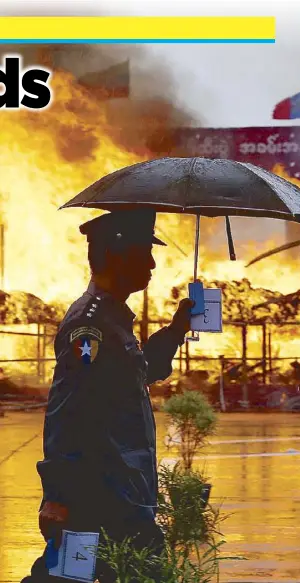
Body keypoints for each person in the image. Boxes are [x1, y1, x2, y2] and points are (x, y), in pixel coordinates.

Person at [22, 208, 193, 583]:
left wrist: (177, 329)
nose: (151, 263)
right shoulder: (91, 324)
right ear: (117, 256)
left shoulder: (113, 319)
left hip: (123, 494)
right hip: (95, 497)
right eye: (142, 253)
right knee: (76, 576)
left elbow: (140, 374)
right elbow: (70, 411)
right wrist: (59, 495)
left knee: (74, 576)